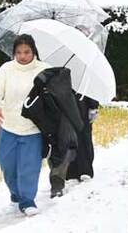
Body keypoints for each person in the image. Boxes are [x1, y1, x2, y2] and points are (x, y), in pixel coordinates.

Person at [0, 34, 50, 216]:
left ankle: (27, 200)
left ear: (34, 52)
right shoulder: (6, 69)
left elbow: (55, 94)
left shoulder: (44, 70)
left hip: (33, 129)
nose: (23, 56)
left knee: (29, 167)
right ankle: (16, 193)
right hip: (9, 125)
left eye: (27, 52)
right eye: (19, 52)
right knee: (5, 162)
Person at [22, 66, 84, 198]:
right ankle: (57, 182)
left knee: (58, 148)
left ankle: (57, 181)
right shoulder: (62, 82)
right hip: (61, 123)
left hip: (49, 123)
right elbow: (73, 114)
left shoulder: (44, 80)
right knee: (66, 147)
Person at [66, 95, 99, 182]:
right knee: (70, 137)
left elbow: (91, 89)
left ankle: (85, 170)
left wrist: (93, 106)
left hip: (83, 105)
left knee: (84, 137)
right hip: (69, 102)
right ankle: (72, 170)